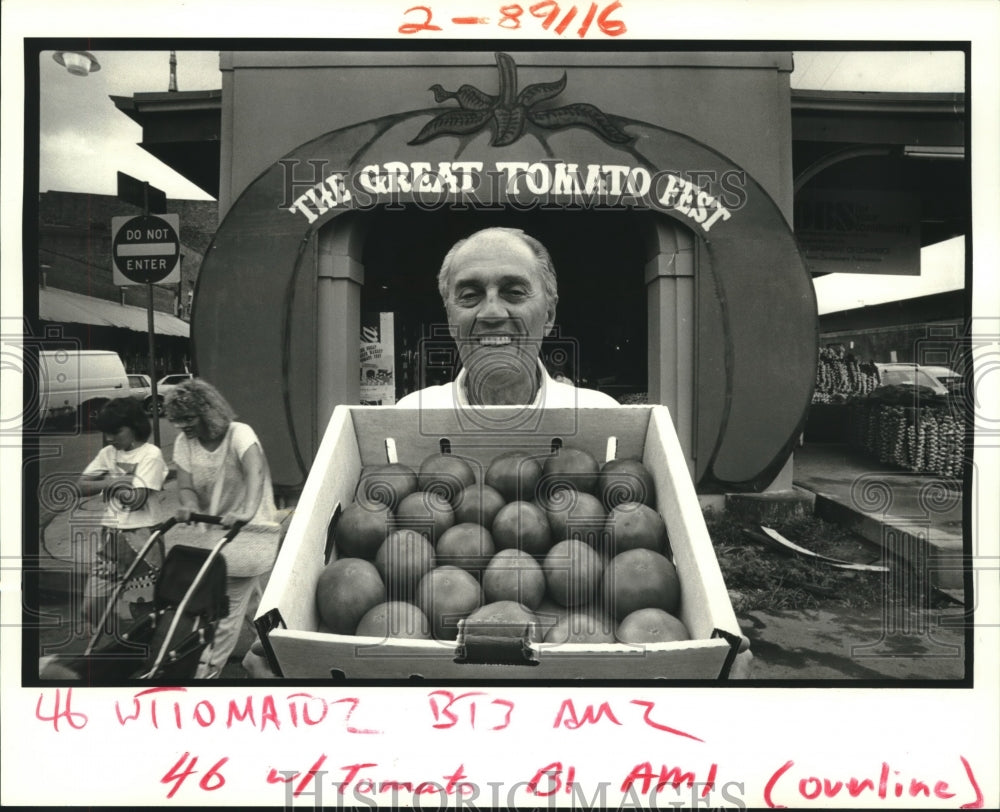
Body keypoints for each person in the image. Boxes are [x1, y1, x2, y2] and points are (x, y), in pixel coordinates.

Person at [396, 227, 620, 409]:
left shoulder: (601, 415)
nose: (491, 313)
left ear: (549, 316)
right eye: (470, 295)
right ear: (450, 319)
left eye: (514, 292)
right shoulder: (409, 416)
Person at [165, 378, 276, 678]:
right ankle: (277, 650)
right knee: (257, 602)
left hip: (251, 535)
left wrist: (247, 510)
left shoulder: (239, 434)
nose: (182, 426)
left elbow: (256, 471)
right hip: (216, 535)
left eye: (188, 419)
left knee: (223, 611)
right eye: (177, 421)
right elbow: (186, 486)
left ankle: (208, 673)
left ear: (207, 411)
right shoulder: (184, 443)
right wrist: (188, 505)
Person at [77, 397, 168, 629]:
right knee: (91, 605)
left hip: (143, 537)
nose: (109, 439)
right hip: (111, 536)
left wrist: (106, 485)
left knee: (144, 608)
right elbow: (80, 486)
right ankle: (117, 644)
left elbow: (136, 500)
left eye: (116, 432)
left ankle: (146, 655)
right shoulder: (108, 453)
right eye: (106, 433)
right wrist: (119, 481)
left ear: (134, 425)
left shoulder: (151, 454)